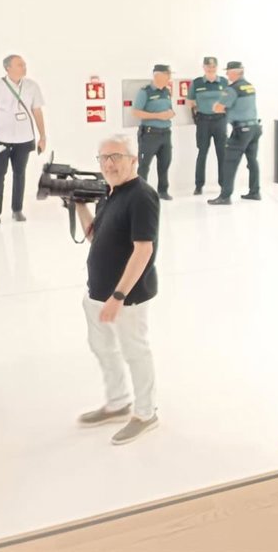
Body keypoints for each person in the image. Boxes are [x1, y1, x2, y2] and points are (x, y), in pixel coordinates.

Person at [73, 133, 160, 445]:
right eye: (104, 158)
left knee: (135, 352)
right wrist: (78, 206)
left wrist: (118, 296)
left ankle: (146, 414)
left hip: (127, 298)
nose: (109, 164)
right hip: (97, 293)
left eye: (116, 157)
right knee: (103, 348)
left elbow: (143, 250)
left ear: (133, 160)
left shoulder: (142, 196)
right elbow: (95, 237)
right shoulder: (110, 192)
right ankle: (118, 402)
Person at [0, 54, 46, 229]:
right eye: (19, 65)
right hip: (0, 140)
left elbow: (37, 112)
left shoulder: (32, 86)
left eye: (24, 64)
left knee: (19, 174)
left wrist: (43, 136)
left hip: (23, 140)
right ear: (8, 68)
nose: (24, 67)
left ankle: (17, 210)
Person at [208, 62, 261, 205]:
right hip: (254, 128)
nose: (227, 74)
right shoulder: (249, 86)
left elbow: (218, 108)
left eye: (228, 72)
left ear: (235, 72)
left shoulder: (232, 89)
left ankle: (225, 196)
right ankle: (255, 192)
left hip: (241, 131)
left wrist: (219, 106)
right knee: (252, 161)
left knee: (229, 162)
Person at [187, 56, 228, 196]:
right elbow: (190, 101)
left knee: (222, 153)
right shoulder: (197, 83)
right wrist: (198, 108)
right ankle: (199, 186)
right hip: (203, 121)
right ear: (204, 67)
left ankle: (224, 184)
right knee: (202, 153)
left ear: (216, 67)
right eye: (208, 66)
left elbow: (230, 99)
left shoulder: (224, 82)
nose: (211, 69)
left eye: (213, 66)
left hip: (220, 121)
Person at [133, 64, 175, 201]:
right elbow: (136, 112)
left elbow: (169, 109)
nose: (169, 77)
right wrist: (158, 116)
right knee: (144, 165)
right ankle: (140, 193)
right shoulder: (145, 92)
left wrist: (170, 114)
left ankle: (163, 191)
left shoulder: (166, 91)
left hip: (165, 133)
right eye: (167, 75)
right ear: (158, 75)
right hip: (150, 134)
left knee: (165, 163)